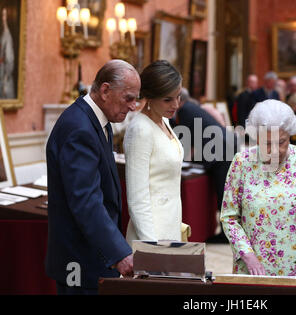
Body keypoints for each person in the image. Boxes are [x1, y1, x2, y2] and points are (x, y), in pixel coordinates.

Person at [46, 60, 140, 294]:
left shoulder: (98, 121)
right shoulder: (80, 128)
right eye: (128, 98)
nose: (134, 106)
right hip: (79, 260)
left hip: (92, 256)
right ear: (106, 90)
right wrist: (119, 253)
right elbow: (86, 202)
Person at [221, 99, 296, 276]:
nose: (275, 150)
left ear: (291, 135)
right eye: (267, 143)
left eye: (282, 142)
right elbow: (229, 217)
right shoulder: (242, 162)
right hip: (254, 268)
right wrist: (247, 255)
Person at [124, 60, 184, 243]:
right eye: (168, 99)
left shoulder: (164, 120)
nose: (176, 104)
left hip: (170, 224)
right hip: (151, 233)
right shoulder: (140, 129)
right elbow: (137, 197)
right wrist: (151, 245)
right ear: (149, 97)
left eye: (178, 96)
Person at [173, 88, 238, 243]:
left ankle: (227, 234)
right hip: (222, 148)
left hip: (221, 151)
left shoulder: (185, 111)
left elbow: (183, 140)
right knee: (224, 193)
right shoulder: (192, 108)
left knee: (224, 194)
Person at [0, 7, 15, 99]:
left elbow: (9, 59)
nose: (3, 18)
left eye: (5, 15)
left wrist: (6, 76)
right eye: (2, 15)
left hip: (4, 77)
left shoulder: (7, 35)